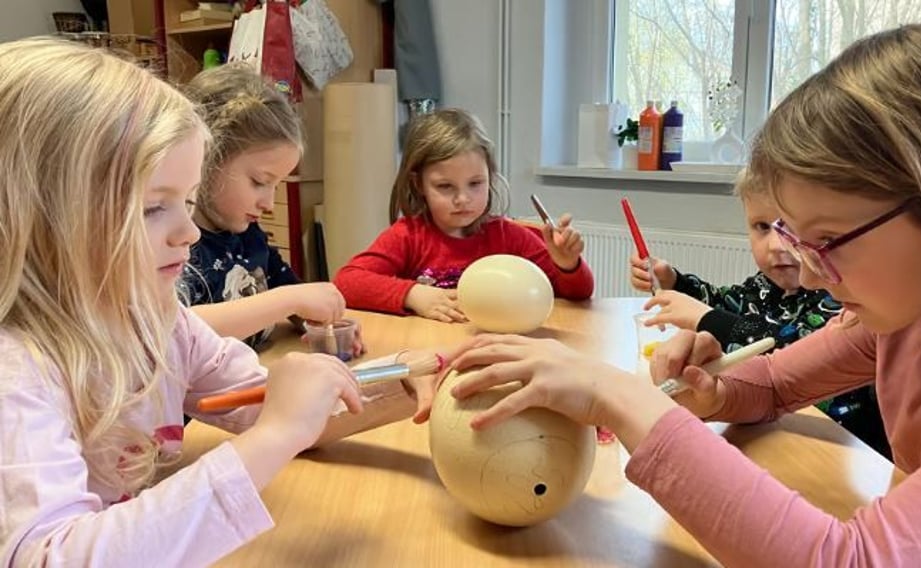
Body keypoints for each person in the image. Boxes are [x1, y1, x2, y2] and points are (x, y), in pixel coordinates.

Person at [444, 15, 921, 566]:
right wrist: (714, 393)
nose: (812, 272)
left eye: (829, 238)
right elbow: (772, 383)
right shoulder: (905, 319)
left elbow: (851, 560)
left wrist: (617, 396)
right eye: (799, 237)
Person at [0, 39, 435, 566]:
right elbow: (50, 556)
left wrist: (398, 382)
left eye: (186, 202)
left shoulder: (160, 323)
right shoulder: (16, 371)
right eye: (154, 208)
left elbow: (277, 408)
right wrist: (276, 434)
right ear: (37, 216)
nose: (188, 231)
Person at [631, 169, 888, 457]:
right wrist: (676, 282)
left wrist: (708, 319)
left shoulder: (844, 299)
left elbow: (791, 353)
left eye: (790, 229)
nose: (778, 245)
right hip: (774, 437)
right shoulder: (764, 286)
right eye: (763, 227)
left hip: (840, 449)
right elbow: (727, 307)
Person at [334, 108, 594, 322]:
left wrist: (567, 265)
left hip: (497, 350)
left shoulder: (510, 237)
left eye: (475, 183)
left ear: (490, 176)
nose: (462, 199)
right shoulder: (408, 236)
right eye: (445, 186)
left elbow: (578, 294)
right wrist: (413, 294)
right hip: (429, 350)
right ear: (418, 185)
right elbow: (347, 282)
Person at [181, 63, 361, 355]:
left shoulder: (248, 234)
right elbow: (176, 329)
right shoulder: (178, 243)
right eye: (259, 182)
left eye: (277, 185)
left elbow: (292, 293)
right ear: (205, 160)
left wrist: (321, 322)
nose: (268, 203)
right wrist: (286, 300)